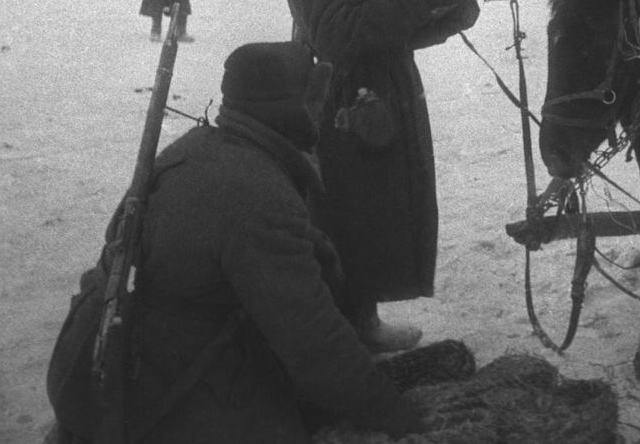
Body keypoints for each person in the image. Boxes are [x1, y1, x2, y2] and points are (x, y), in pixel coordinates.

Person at [53, 42, 426, 442]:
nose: (320, 111)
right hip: (160, 394)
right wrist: (399, 418)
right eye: (311, 100)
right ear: (285, 110)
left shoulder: (195, 148)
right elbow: (313, 343)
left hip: (90, 372)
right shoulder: (258, 193)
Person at [286, 0, 478, 353]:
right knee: (350, 217)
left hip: (374, 100)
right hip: (346, 109)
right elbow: (338, 36)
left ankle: (360, 320)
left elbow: (389, 29)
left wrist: (448, 13)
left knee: (370, 215)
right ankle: (351, 328)